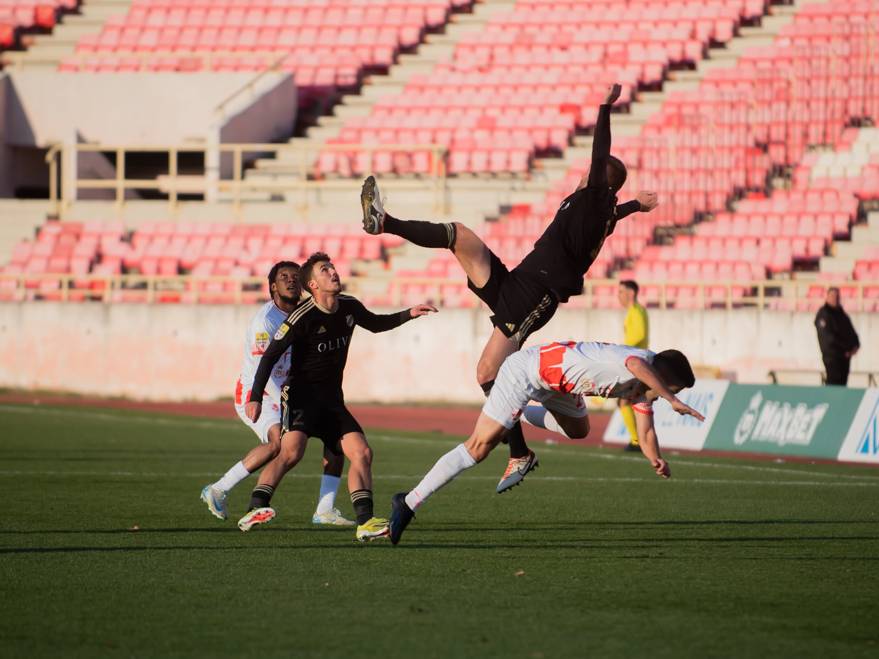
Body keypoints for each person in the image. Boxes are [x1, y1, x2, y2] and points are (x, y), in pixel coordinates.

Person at [360, 84, 659, 494]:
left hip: (535, 294)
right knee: (459, 235)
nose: (582, 175)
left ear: (597, 181)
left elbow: (599, 153)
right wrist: (636, 206)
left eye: (589, 173)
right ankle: (385, 222)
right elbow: (612, 212)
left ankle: (519, 451)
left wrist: (605, 107)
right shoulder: (600, 211)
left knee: (487, 372)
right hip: (520, 280)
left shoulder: (594, 199)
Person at [386, 341, 705, 545]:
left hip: (559, 386)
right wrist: (672, 398)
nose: (664, 396)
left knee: (578, 430)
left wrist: (655, 458)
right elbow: (635, 365)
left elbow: (645, 432)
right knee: (479, 448)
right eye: (670, 388)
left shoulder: (643, 388)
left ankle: (513, 416)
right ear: (663, 376)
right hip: (526, 372)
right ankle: (409, 502)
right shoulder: (639, 363)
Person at [240, 252, 437, 541]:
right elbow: (269, 356)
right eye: (325, 270)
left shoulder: (349, 306)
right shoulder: (301, 317)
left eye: (332, 267)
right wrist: (255, 397)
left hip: (332, 401)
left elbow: (376, 323)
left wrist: (409, 313)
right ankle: (255, 508)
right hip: (301, 398)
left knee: (362, 453)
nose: (333, 272)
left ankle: (365, 522)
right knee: (291, 453)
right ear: (313, 284)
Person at [200, 261, 355, 526]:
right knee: (277, 444)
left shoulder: (307, 311)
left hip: (294, 391)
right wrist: (287, 402)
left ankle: (325, 509)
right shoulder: (265, 322)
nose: (291, 280)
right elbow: (264, 369)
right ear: (273, 287)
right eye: (284, 277)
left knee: (335, 438)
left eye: (295, 276)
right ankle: (219, 489)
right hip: (260, 393)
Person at [618, 279, 649, 452]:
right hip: (636, 361)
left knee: (624, 401)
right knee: (628, 401)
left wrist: (621, 350)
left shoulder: (636, 311)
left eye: (621, 292)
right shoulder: (635, 311)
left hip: (636, 362)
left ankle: (637, 441)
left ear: (631, 293)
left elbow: (639, 335)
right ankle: (638, 439)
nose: (618, 296)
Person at [815, 287, 860, 386]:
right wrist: (846, 349)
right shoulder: (824, 314)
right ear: (827, 297)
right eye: (832, 296)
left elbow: (851, 331)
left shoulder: (841, 314)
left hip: (844, 358)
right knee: (833, 384)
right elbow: (828, 338)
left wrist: (855, 345)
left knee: (842, 385)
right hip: (832, 358)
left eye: (837, 296)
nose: (835, 298)